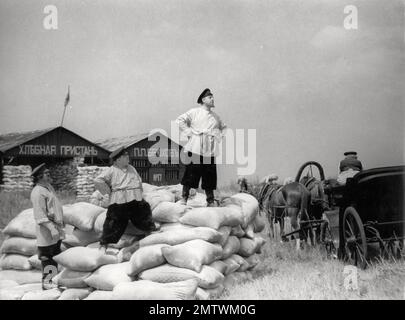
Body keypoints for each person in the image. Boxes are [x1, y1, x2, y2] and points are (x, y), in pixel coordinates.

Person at [94, 147, 158, 252]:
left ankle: (149, 233)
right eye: (125, 156)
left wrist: (140, 193)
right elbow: (98, 180)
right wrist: (108, 191)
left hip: (134, 197)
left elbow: (138, 180)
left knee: (144, 210)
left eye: (127, 155)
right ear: (118, 160)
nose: (128, 157)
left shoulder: (131, 168)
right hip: (119, 200)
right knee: (114, 220)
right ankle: (104, 245)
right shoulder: (111, 170)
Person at [176, 88, 227, 207]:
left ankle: (210, 200)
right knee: (191, 174)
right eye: (210, 97)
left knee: (210, 176)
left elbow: (224, 127)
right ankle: (184, 197)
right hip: (196, 148)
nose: (213, 99)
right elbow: (180, 120)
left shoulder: (216, 117)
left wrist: (218, 136)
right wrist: (189, 133)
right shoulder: (194, 112)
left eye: (213, 97)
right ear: (203, 100)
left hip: (210, 150)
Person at [30, 163, 65, 290]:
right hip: (47, 232)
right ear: (40, 177)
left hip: (55, 229)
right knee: (47, 258)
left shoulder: (48, 187)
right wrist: (51, 229)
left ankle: (53, 283)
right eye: (47, 173)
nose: (49, 174)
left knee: (55, 256)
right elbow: (40, 215)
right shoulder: (38, 192)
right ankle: (48, 286)